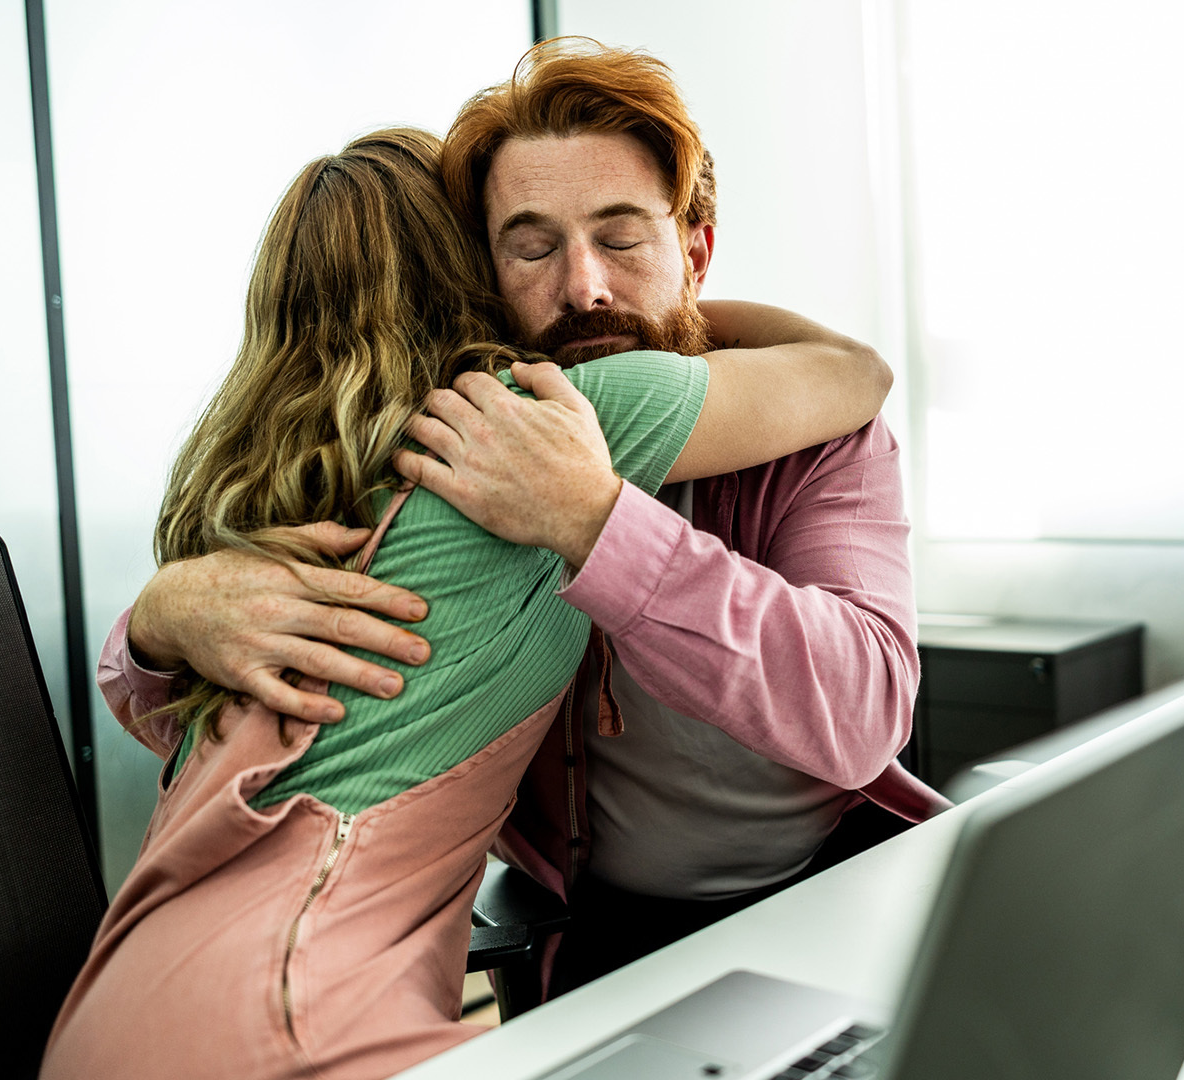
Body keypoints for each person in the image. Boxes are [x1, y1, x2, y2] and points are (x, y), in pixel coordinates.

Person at [107, 38, 947, 1002]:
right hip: (576, 929)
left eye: (622, 239)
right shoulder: (444, 439)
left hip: (831, 896)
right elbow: (246, 724)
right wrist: (160, 623)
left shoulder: (822, 439)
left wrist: (597, 525)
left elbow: (866, 715)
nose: (583, 287)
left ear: (695, 253)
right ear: (485, 272)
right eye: (533, 247)